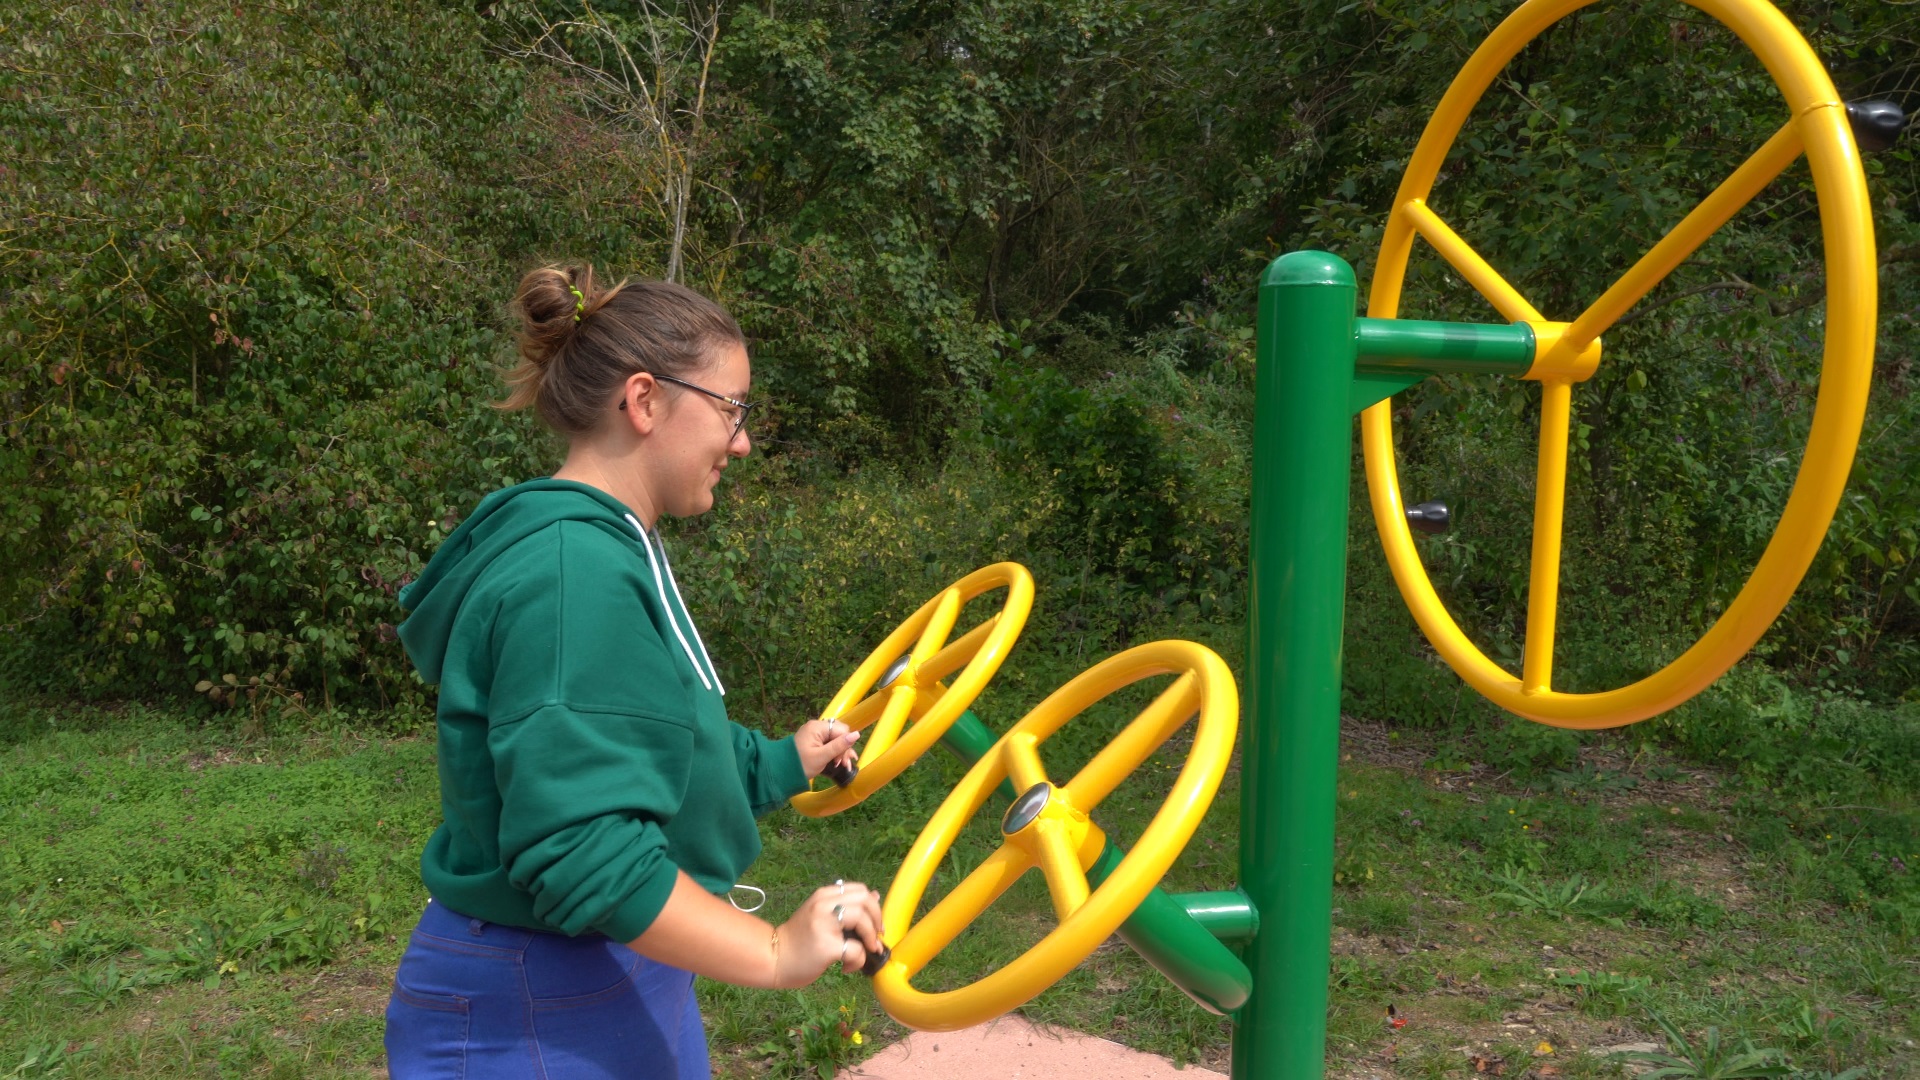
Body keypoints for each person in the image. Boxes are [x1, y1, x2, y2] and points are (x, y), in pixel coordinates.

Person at [384, 264, 881, 1079]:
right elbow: (583, 846)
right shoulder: (573, 570)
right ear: (646, 401)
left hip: (598, 967)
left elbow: (647, 739)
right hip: (537, 996)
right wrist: (773, 949)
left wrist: (781, 761)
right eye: (732, 409)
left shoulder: (608, 548)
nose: (743, 440)